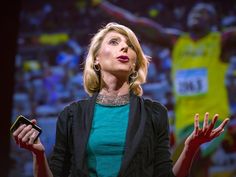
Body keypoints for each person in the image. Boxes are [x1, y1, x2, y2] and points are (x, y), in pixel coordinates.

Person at [12, 22, 229, 177]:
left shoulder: (156, 113)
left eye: (130, 45)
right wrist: (39, 155)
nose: (124, 47)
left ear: (135, 63)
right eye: (114, 42)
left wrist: (190, 148)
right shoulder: (71, 115)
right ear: (96, 59)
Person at [97, 1, 236, 157]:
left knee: (179, 161)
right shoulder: (177, 42)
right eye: (194, 11)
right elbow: (134, 23)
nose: (197, 14)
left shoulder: (220, 42)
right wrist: (101, 4)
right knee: (196, 170)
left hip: (212, 119)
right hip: (183, 123)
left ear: (213, 22)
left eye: (204, 12)